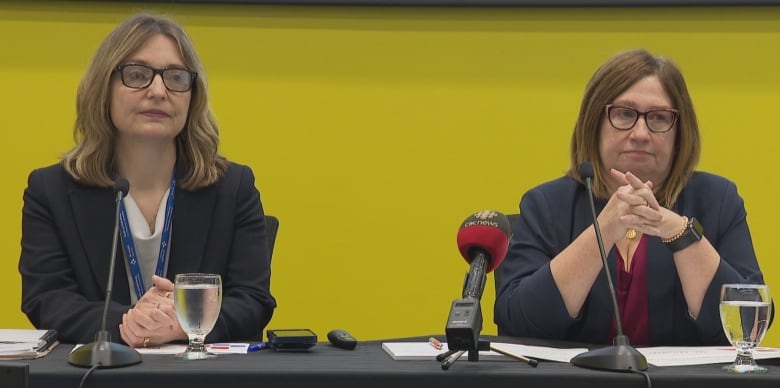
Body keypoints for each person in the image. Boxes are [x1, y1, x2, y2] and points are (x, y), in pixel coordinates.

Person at [19, 12, 276, 347]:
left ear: (191, 95)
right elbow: (47, 299)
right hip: (99, 375)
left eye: (176, 77)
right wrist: (127, 322)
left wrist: (182, 324)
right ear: (104, 88)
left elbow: (254, 300)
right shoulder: (50, 190)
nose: (158, 91)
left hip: (201, 376)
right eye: (138, 75)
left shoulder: (233, 187)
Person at [494, 49, 767, 346]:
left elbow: (749, 325)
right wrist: (607, 227)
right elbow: (517, 324)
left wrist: (681, 233)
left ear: (680, 132)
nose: (640, 133)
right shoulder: (546, 205)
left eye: (659, 118)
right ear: (594, 123)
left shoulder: (717, 200)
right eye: (624, 114)